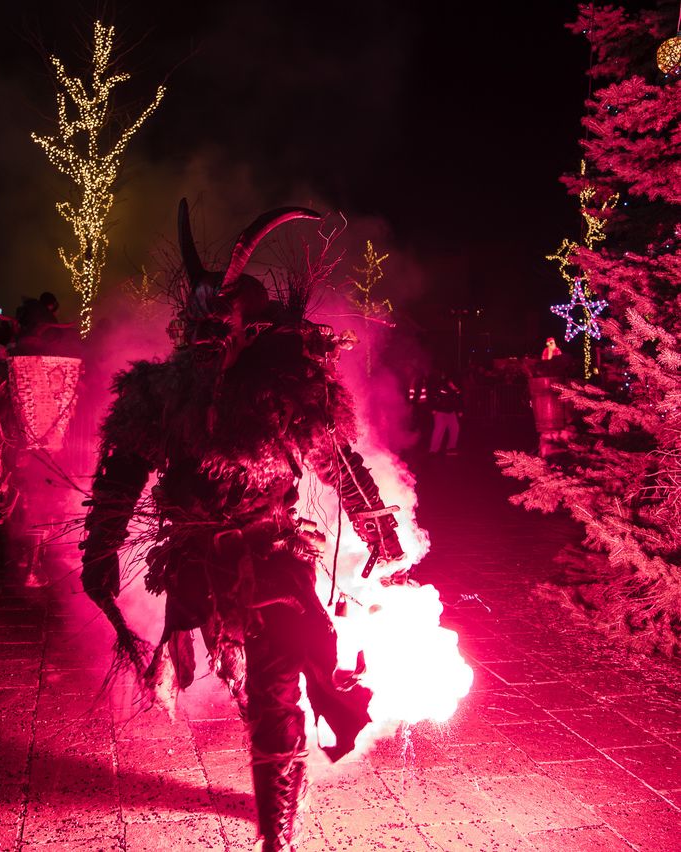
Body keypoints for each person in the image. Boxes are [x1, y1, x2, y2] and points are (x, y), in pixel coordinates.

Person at [81, 200, 408, 851]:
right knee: (240, 674)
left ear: (247, 326)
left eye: (219, 321)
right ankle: (271, 758)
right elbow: (122, 473)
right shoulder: (163, 393)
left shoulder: (285, 388)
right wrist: (102, 546)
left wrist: (378, 530)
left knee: (276, 686)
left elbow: (336, 460)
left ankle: (276, 830)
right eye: (197, 322)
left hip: (275, 553)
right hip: (199, 558)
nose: (206, 333)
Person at [428, 371, 463, 455]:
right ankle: (433, 449)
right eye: (451, 382)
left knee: (455, 428)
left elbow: (458, 401)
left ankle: (451, 446)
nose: (452, 384)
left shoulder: (457, 390)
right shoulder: (442, 387)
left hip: (451, 412)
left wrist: (460, 410)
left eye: (453, 383)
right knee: (439, 430)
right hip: (440, 411)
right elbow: (435, 397)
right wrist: (433, 408)